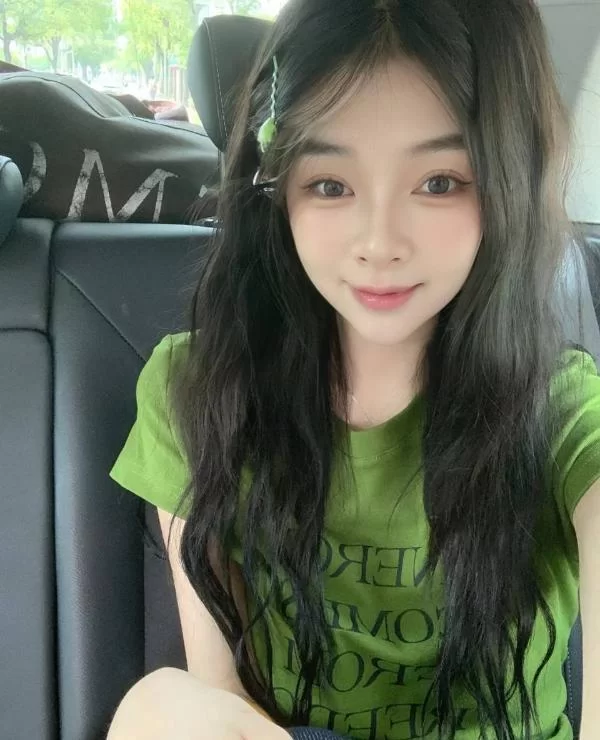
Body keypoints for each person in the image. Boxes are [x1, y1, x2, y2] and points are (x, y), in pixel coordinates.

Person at [106, 1, 600, 739]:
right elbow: (221, 688)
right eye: (330, 184)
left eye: (440, 181)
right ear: (278, 191)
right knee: (158, 706)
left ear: (507, 182)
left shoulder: (560, 412)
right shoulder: (199, 391)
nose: (379, 242)